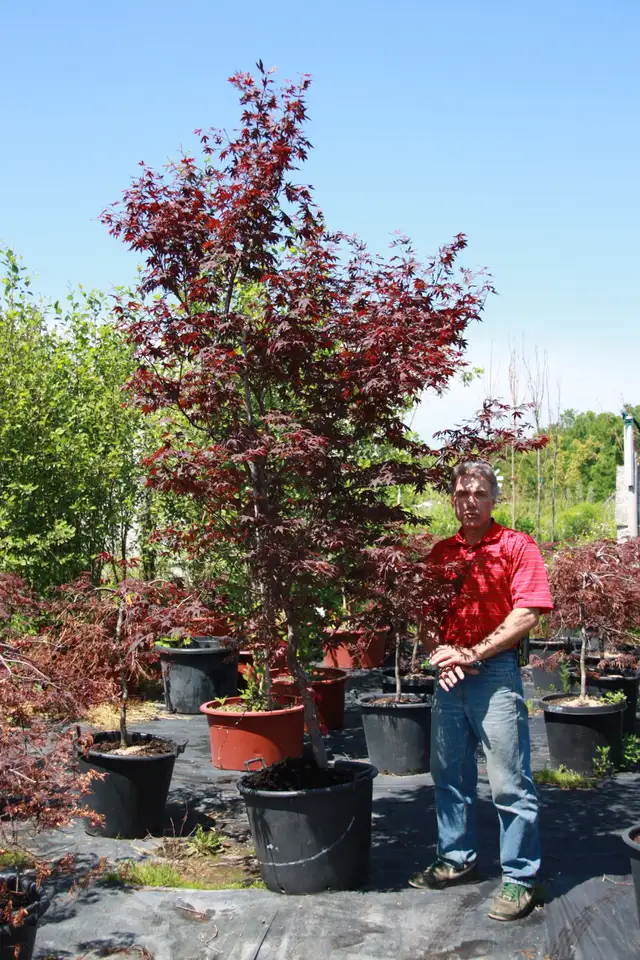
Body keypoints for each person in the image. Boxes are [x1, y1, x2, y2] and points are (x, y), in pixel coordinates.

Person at [409, 460, 553, 922]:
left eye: (478, 493)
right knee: (449, 775)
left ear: (494, 499)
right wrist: (442, 653)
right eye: (461, 492)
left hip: (495, 677)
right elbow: (424, 615)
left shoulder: (516, 546)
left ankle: (520, 878)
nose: (469, 500)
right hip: (449, 678)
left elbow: (528, 612)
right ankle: (456, 858)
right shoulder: (440, 553)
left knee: (509, 782)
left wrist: (472, 654)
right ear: (452, 498)